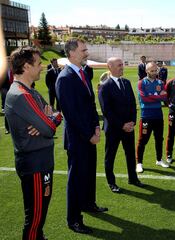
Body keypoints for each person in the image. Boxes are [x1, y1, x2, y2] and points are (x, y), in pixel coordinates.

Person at [5, 46, 62, 240]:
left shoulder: (31, 91)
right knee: (35, 217)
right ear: (27, 66)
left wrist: (48, 120)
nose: (42, 66)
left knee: (40, 215)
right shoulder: (21, 95)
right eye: (38, 64)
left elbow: (55, 113)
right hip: (34, 164)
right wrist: (47, 122)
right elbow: (50, 127)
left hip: (41, 161)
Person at [55, 39, 107, 234]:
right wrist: (88, 134)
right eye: (84, 50)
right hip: (78, 139)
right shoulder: (65, 78)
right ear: (72, 53)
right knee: (76, 179)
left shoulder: (82, 73)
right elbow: (71, 113)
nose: (87, 53)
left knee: (88, 173)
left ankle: (88, 204)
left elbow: (90, 104)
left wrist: (96, 126)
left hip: (88, 135)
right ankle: (74, 219)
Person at [98, 57, 144, 193]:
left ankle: (133, 178)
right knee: (110, 156)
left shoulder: (126, 83)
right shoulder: (105, 87)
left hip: (129, 127)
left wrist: (132, 122)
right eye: (119, 65)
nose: (122, 67)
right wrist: (122, 125)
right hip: (113, 129)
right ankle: (111, 182)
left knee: (130, 154)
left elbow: (132, 104)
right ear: (110, 67)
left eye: (122, 65)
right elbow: (107, 111)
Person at [136, 61, 169, 173]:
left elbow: (164, 98)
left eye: (156, 70)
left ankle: (159, 160)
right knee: (142, 140)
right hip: (146, 115)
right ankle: (139, 163)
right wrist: (157, 97)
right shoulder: (141, 83)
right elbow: (144, 99)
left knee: (159, 139)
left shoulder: (160, 82)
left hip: (158, 115)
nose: (154, 72)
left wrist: (152, 96)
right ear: (146, 71)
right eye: (152, 71)